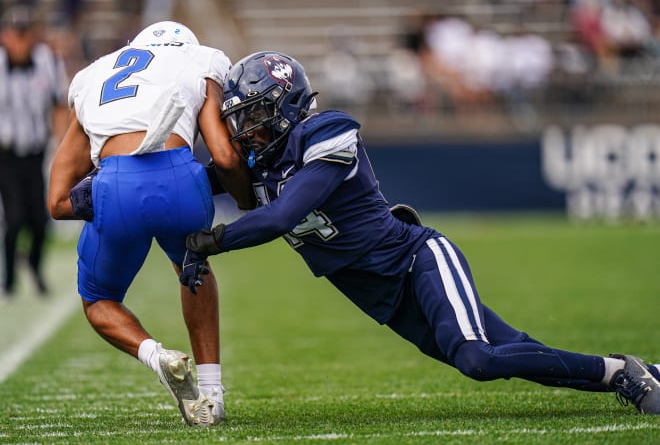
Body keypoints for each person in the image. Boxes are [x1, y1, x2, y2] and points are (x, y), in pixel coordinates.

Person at [183, 51, 660, 416]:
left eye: (252, 116)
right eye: (238, 119)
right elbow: (184, 185)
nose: (245, 131)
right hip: (384, 299)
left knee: (478, 360)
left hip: (414, 261)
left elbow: (282, 216)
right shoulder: (258, 165)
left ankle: (621, 371)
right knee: (516, 349)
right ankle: (640, 375)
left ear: (283, 104)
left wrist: (213, 242)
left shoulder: (326, 132)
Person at [48, 21, 254, 426]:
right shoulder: (203, 59)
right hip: (180, 176)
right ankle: (212, 395)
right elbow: (226, 158)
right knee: (194, 269)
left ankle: (156, 355)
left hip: (115, 182)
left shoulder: (93, 75)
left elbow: (56, 202)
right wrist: (247, 201)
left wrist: (104, 198)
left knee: (98, 300)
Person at [0, 5, 69, 299]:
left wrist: (61, 144)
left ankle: (35, 267)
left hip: (37, 151)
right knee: (14, 219)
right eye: (15, 35)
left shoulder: (48, 62)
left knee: (40, 221)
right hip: (6, 154)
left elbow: (58, 105)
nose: (20, 42)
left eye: (25, 35)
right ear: (5, 37)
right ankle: (9, 279)